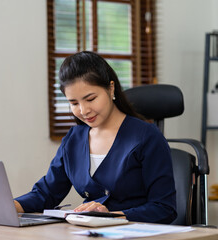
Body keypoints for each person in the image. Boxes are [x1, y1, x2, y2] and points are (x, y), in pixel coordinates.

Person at [14, 51, 177, 224]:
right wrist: (6, 206)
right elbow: (45, 194)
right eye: (74, 103)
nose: (83, 111)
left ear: (111, 88)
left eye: (90, 99)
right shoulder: (73, 140)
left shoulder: (147, 137)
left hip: (138, 233)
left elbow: (164, 208)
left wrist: (112, 215)